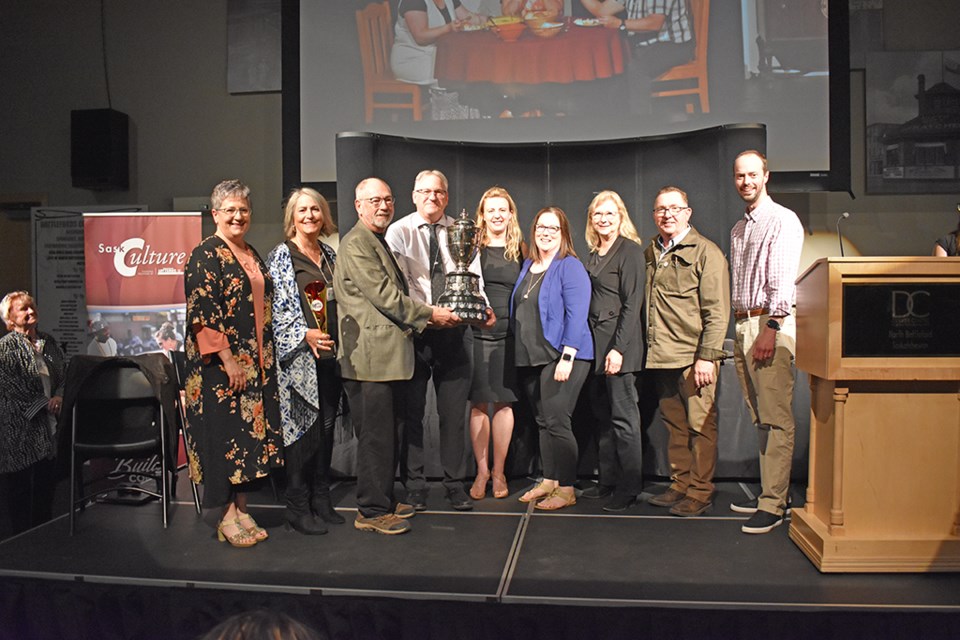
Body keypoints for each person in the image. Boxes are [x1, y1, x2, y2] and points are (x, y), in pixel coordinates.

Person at [336, 177, 460, 535]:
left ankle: (385, 499)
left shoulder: (376, 240)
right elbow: (385, 297)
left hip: (388, 358)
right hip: (370, 362)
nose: (382, 206)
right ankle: (371, 511)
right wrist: (429, 314)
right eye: (373, 200)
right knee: (375, 439)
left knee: (388, 434)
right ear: (358, 206)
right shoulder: (357, 243)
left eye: (387, 200)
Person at [385, 169, 494, 512]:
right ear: (414, 195)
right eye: (425, 191)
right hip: (415, 332)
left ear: (447, 197)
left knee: (453, 415)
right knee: (412, 414)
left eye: (439, 192)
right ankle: (415, 486)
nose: (432, 197)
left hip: (455, 332)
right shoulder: (398, 231)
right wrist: (428, 313)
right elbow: (398, 284)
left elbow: (473, 275)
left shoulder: (462, 231)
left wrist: (484, 309)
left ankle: (453, 484)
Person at [183, 179, 283, 548]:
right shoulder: (205, 254)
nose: (237, 216)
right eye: (230, 210)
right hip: (220, 369)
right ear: (215, 214)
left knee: (248, 438)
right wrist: (229, 361)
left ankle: (242, 509)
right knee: (224, 437)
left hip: (256, 363)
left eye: (243, 210)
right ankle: (225, 515)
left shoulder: (251, 253)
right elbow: (203, 315)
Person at [729, 150, 804, 534]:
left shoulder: (781, 220)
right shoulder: (739, 229)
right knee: (761, 417)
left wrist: (771, 328)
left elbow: (783, 282)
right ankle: (770, 493)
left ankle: (774, 504)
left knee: (776, 418)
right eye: (740, 176)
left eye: (753, 174)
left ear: (766, 176)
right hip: (744, 323)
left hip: (769, 323)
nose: (746, 181)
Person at [643, 186, 730, 517]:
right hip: (660, 357)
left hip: (694, 359)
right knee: (675, 426)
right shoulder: (651, 252)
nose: (667, 214)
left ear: (688, 213)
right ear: (654, 215)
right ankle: (680, 484)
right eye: (661, 209)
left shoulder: (707, 252)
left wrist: (707, 356)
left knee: (700, 426)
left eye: (675, 208)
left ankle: (699, 491)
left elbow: (717, 311)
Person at [267, 188, 345, 536]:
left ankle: (321, 496)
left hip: (330, 355)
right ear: (292, 218)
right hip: (299, 358)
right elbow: (275, 311)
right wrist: (304, 334)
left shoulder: (330, 254)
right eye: (302, 210)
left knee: (327, 429)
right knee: (302, 433)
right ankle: (297, 506)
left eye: (315, 209)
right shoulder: (282, 256)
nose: (310, 215)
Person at [513, 207, 593, 511]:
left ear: (563, 234)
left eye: (553, 228)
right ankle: (549, 480)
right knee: (543, 421)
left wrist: (567, 356)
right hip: (533, 357)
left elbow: (577, 313)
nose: (546, 233)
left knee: (558, 422)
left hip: (564, 355)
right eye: (541, 228)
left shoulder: (568, 266)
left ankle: (567, 486)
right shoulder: (529, 265)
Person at [582, 191, 646, 512]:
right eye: (598, 214)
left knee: (624, 419)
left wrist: (618, 348)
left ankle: (629, 486)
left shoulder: (630, 252)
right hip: (595, 347)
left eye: (609, 214)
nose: (603, 219)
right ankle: (607, 480)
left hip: (620, 347)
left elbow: (633, 304)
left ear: (621, 216)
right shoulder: (594, 253)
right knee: (602, 418)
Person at [468, 187, 525, 500]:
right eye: (491, 210)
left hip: (509, 335)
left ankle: (500, 472)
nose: (497, 215)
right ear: (483, 214)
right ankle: (482, 472)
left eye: (503, 209)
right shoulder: (471, 247)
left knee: (503, 404)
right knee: (478, 404)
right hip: (476, 334)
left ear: (511, 213)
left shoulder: (520, 249)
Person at [0, 291, 65, 536]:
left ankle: (43, 531)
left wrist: (59, 395)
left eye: (31, 307)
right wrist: (43, 404)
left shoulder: (48, 342)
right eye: (23, 309)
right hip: (19, 427)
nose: (29, 312)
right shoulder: (5, 347)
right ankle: (20, 537)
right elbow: (11, 385)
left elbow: (63, 374)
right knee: (20, 486)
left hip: (49, 424)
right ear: (10, 318)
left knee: (45, 483)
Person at [578, 0, 695, 116]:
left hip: (673, 45)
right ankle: (617, 123)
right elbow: (602, 11)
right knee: (615, 63)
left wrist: (620, 24)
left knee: (637, 68)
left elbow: (654, 23)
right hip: (644, 44)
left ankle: (641, 124)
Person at [390, 0, 485, 86]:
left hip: (437, 56)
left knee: (473, 64)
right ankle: (449, 103)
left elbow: (469, 18)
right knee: (461, 68)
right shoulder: (413, 2)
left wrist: (492, 21)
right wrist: (448, 28)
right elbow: (420, 37)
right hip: (414, 60)